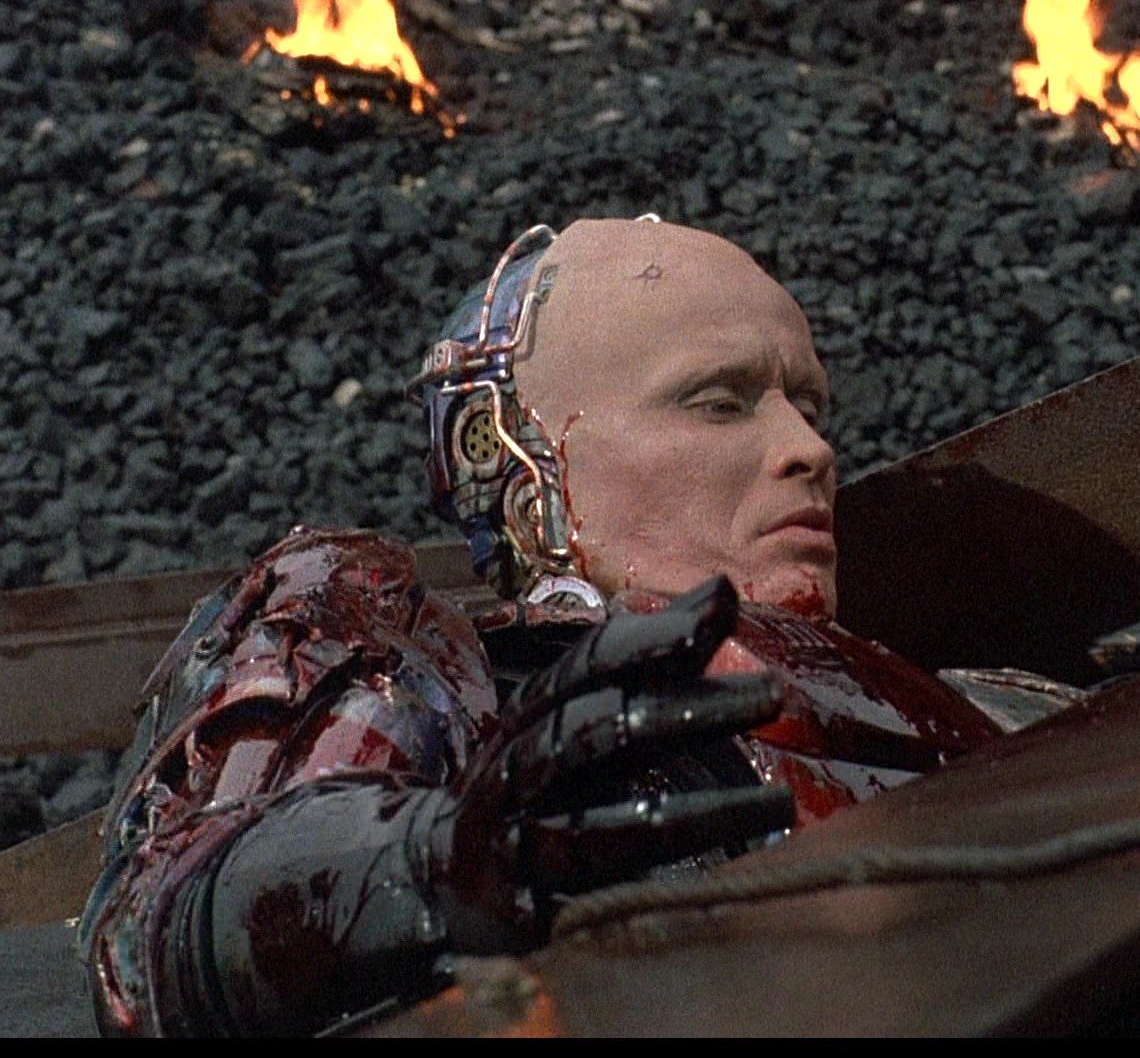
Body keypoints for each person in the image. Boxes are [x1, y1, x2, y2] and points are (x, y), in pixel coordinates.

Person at [76, 217, 1027, 1037]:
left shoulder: (959, 689)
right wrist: (422, 864)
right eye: (717, 403)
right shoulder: (421, 667)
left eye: (808, 405)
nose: (809, 448)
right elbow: (157, 937)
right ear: (524, 456)